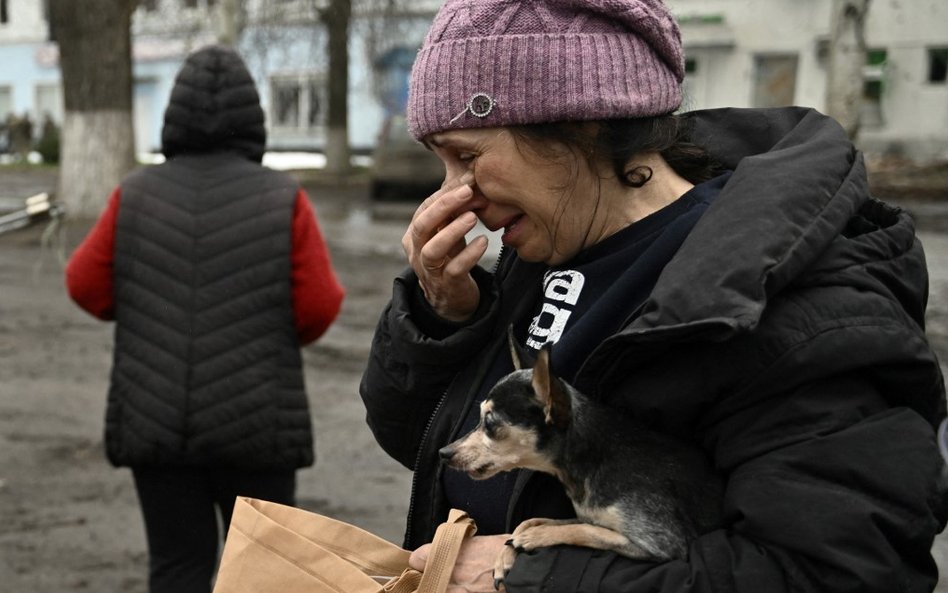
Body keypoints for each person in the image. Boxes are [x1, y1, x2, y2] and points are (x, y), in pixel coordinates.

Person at [359, 1, 948, 591]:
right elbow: (432, 452)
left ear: (582, 123)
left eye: (467, 157)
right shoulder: (546, 249)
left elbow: (841, 572)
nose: (454, 197)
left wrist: (534, 574)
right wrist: (443, 318)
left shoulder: (784, 301)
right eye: (440, 164)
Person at [65, 45, 345, 593]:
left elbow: (84, 286)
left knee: (176, 566)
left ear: (175, 115)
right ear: (253, 117)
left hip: (156, 419)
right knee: (262, 574)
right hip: (258, 423)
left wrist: (147, 306)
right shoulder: (282, 197)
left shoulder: (136, 193)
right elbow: (317, 308)